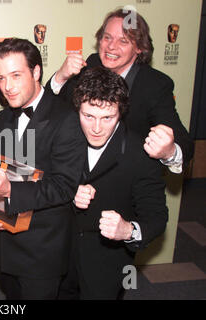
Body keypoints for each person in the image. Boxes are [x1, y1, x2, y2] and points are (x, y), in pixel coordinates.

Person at [0, 38, 86, 300]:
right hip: (6, 245)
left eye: (16, 75)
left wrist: (10, 192)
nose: (7, 86)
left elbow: (64, 186)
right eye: (1, 77)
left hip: (42, 249)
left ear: (36, 72)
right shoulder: (2, 117)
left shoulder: (67, 118)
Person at [61, 66, 168, 299]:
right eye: (88, 116)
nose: (97, 128)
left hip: (107, 263)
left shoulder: (141, 154)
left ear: (121, 112)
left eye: (107, 117)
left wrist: (128, 230)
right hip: (59, 254)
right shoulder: (64, 135)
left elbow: (157, 217)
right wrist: (69, 192)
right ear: (77, 109)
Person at [47, 8, 193, 173]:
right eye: (107, 37)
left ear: (139, 48)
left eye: (123, 41)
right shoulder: (92, 63)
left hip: (126, 178)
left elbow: (185, 145)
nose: (111, 46)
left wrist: (169, 152)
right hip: (81, 173)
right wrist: (60, 76)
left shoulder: (155, 85)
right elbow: (52, 109)